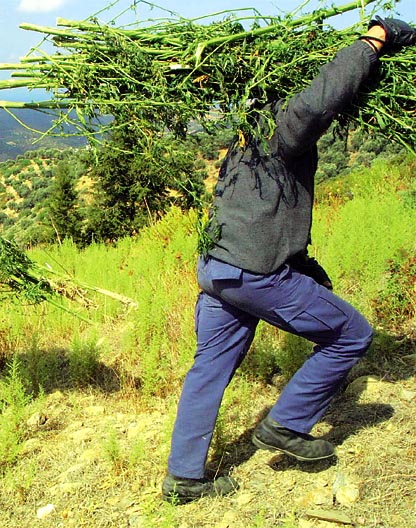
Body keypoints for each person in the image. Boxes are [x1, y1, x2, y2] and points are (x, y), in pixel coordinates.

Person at [162, 18, 416, 504]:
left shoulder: (248, 130)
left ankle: (183, 478)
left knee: (209, 368)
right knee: (352, 334)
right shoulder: (283, 126)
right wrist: (374, 41)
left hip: (218, 268)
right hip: (253, 271)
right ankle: (285, 425)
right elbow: (317, 102)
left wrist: (300, 261)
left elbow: (264, 210)